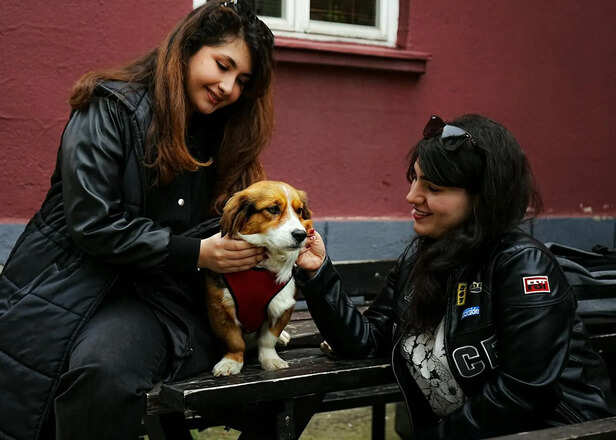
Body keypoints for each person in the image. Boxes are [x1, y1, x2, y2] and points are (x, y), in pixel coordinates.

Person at [0, 1, 274, 438]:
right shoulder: (109, 108)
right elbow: (94, 223)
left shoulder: (227, 133)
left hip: (163, 304)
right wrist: (197, 252)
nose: (228, 88)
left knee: (105, 370)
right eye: (223, 65)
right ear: (187, 48)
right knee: (95, 374)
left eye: (242, 81)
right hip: (74, 284)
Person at [296, 114, 615, 439]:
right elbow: (367, 340)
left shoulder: (522, 264)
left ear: (482, 196)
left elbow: (523, 393)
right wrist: (318, 274)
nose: (412, 196)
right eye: (414, 179)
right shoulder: (420, 259)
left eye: (433, 187)